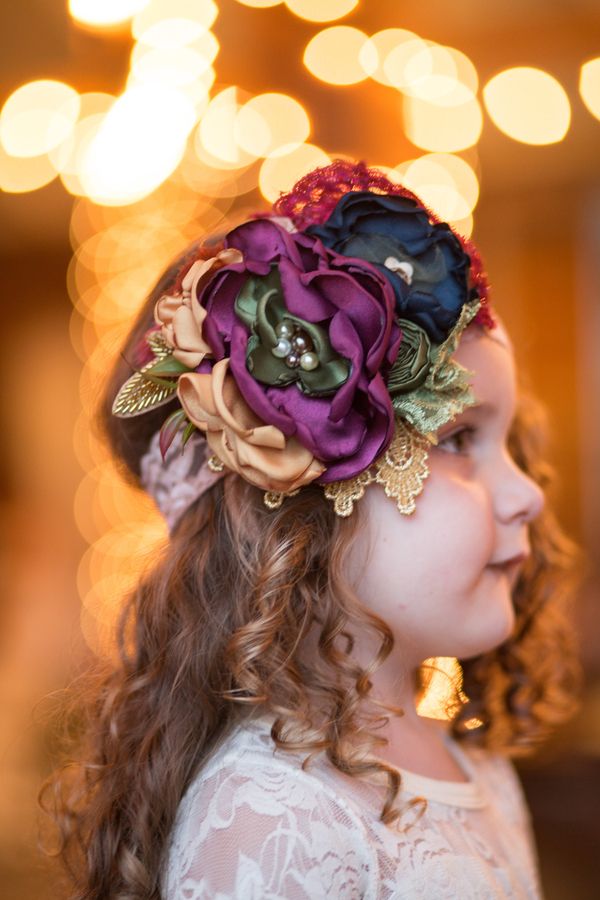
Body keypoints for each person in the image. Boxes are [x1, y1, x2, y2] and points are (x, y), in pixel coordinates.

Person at [43, 160, 581, 899]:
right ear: (294, 501)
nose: (525, 494)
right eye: (458, 440)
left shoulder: (472, 760)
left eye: (511, 446)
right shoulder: (269, 814)